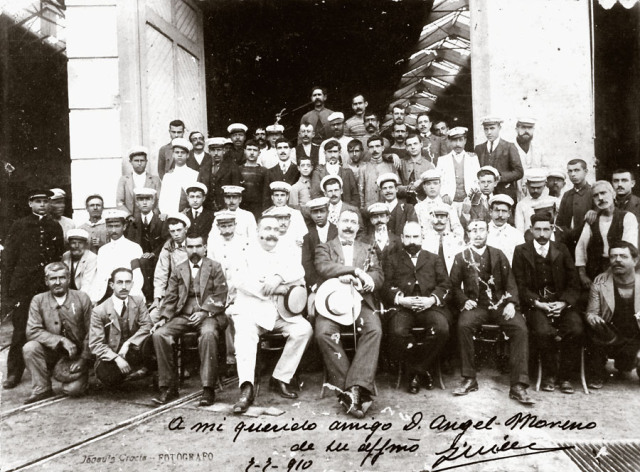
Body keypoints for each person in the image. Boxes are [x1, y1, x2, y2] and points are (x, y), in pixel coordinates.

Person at [230, 216, 313, 413]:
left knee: (304, 329)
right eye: (267, 228)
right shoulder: (244, 251)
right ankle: (246, 387)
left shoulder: (286, 249)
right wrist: (275, 289)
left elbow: (298, 271)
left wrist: (279, 277)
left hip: (280, 314)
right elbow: (240, 281)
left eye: (276, 229)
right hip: (251, 311)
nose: (272, 234)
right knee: (245, 334)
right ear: (258, 231)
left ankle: (280, 377)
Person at [449, 219, 534, 405]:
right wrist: (464, 300)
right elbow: (453, 286)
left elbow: (511, 281)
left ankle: (518, 384)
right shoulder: (461, 257)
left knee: (520, 327)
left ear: (487, 232)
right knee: (463, 325)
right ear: (467, 234)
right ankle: (469, 378)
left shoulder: (498, 255)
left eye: (481, 230)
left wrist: (511, 303)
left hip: (500, 305)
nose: (477, 234)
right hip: (476, 306)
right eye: (473, 230)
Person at [314, 210, 384, 418]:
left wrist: (362, 280)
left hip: (360, 301)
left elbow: (378, 275)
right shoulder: (324, 247)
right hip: (331, 303)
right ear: (337, 223)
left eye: (353, 222)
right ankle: (353, 389)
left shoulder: (368, 248)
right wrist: (352, 271)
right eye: (345, 221)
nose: (348, 226)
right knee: (323, 333)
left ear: (358, 227)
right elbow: (323, 267)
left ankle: (352, 389)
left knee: (374, 330)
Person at [151, 233, 228, 406]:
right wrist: (164, 317)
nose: (194, 250)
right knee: (159, 334)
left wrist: (204, 312)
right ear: (185, 248)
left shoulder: (215, 267)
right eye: (190, 247)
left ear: (205, 248)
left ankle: (208, 388)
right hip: (183, 315)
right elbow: (171, 296)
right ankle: (169, 387)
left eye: (198, 246)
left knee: (208, 334)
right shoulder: (179, 268)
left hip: (209, 315)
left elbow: (221, 294)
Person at [512, 214, 583, 393]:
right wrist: (537, 303)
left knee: (575, 328)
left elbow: (573, 282)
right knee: (543, 332)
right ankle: (549, 375)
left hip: (561, 303)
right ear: (531, 230)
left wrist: (564, 303)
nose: (542, 234)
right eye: (538, 229)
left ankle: (565, 377)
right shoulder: (521, 251)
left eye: (546, 229)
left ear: (552, 229)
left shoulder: (563, 249)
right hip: (536, 304)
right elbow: (519, 285)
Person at [2, 188, 64, 389]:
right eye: (37, 201)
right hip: (24, 287)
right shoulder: (19, 226)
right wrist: (8, 293)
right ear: (30, 204)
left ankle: (44, 368)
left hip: (45, 287)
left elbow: (57, 257)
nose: (42, 205)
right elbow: (8, 260)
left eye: (45, 201)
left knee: (47, 327)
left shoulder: (54, 227)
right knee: (21, 329)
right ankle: (14, 372)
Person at [382, 221, 452, 393]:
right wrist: (401, 299)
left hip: (429, 307)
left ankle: (415, 372)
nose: (412, 241)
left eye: (415, 237)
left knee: (441, 329)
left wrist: (431, 300)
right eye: (408, 237)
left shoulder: (433, 258)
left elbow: (445, 284)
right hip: (403, 308)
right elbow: (385, 286)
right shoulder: (392, 259)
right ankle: (423, 371)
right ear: (402, 238)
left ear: (422, 237)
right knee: (397, 332)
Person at [22, 262, 92, 403]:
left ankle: (88, 376)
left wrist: (83, 359)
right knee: (30, 348)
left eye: (62, 278)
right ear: (46, 281)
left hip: (76, 355)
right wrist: (61, 340)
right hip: (51, 352)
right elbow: (32, 331)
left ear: (68, 279)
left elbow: (93, 331)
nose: (58, 282)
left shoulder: (82, 297)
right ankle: (42, 387)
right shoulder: (38, 300)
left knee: (72, 390)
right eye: (53, 279)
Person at [584, 241, 640, 387]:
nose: (618, 260)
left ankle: (628, 363)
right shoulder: (600, 281)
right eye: (613, 256)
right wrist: (593, 318)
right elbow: (591, 312)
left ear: (635, 260)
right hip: (611, 335)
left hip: (636, 336)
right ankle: (597, 373)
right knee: (594, 327)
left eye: (623, 256)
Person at [89, 268, 154, 388]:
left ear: (132, 284)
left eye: (128, 282)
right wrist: (117, 359)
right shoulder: (99, 311)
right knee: (109, 377)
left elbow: (147, 325)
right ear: (111, 285)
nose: (124, 286)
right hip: (112, 354)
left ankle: (141, 370)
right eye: (119, 282)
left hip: (134, 350)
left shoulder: (138, 302)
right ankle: (130, 374)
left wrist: (128, 343)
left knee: (154, 342)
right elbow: (96, 343)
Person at [206, 210, 250, 373]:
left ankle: (237, 358)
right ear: (218, 227)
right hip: (220, 290)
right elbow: (211, 269)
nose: (226, 230)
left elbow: (247, 270)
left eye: (229, 226)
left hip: (240, 291)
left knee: (234, 315)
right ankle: (226, 359)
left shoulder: (245, 243)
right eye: (223, 226)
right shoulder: (214, 244)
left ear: (235, 226)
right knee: (218, 315)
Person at [575, 180, 638, 287]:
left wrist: (608, 272)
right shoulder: (593, 219)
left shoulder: (627, 217)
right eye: (596, 195)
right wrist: (582, 274)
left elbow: (628, 247)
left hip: (621, 267)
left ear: (613, 194)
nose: (600, 198)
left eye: (603, 193)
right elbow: (581, 247)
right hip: (596, 269)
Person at [89, 209, 144, 304]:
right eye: (110, 226)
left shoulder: (134, 248)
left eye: (117, 226)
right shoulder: (103, 250)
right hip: (106, 294)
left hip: (127, 292)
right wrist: (94, 298)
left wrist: (131, 298)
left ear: (124, 227)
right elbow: (100, 276)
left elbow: (137, 276)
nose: (113, 230)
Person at [126, 188, 168, 302]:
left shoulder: (161, 220)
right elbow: (130, 242)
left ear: (153, 201)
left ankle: (154, 299)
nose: (144, 202)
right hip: (139, 259)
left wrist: (153, 253)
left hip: (157, 259)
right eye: (141, 199)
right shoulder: (132, 222)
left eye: (148, 199)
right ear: (136, 202)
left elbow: (165, 241)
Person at [474, 116, 523, 202]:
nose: (489, 132)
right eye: (486, 129)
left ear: (499, 128)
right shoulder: (479, 149)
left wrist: (499, 177)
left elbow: (519, 172)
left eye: (492, 128)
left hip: (504, 194)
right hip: (484, 196)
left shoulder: (509, 147)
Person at [151, 214, 191, 320]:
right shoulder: (168, 247)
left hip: (191, 293)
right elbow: (161, 272)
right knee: (152, 317)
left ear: (186, 229)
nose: (176, 234)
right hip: (173, 293)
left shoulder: (194, 245)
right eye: (173, 231)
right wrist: (157, 298)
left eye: (179, 230)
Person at [436, 127, 480, 214]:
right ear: (449, 141)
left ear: (465, 141)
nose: (458, 144)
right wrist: (444, 194)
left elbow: (478, 180)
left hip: (468, 203)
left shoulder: (473, 159)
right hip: (450, 203)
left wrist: (472, 198)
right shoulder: (442, 160)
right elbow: (438, 181)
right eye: (454, 140)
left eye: (460, 140)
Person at [556, 159, 593, 255]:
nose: (573, 174)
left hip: (588, 243)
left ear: (585, 172)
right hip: (569, 244)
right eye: (570, 171)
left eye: (577, 170)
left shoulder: (593, 192)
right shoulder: (567, 195)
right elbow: (559, 222)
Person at [414, 169, 464, 240]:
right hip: (426, 245)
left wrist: (453, 242)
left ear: (440, 185)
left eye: (435, 183)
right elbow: (417, 230)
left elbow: (457, 228)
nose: (432, 187)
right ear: (424, 187)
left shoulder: (448, 206)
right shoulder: (418, 207)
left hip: (446, 244)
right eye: (428, 184)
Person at [301, 197, 338, 293]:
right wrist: (313, 283)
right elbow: (306, 262)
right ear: (310, 214)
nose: (319, 216)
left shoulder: (337, 231)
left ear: (328, 212)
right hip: (316, 282)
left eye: (322, 211)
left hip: (337, 278)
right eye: (315, 212)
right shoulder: (307, 235)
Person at [116, 147, 162, 219]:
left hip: (151, 220)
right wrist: (128, 216)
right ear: (130, 161)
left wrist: (153, 216)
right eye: (136, 161)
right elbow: (119, 202)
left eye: (142, 160)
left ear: (146, 161)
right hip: (131, 221)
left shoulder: (155, 180)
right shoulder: (124, 180)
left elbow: (160, 200)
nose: (139, 163)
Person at [310, 140, 360, 207]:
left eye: (335, 152)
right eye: (329, 152)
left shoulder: (348, 172)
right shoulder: (318, 172)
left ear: (339, 153)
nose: (332, 155)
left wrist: (348, 209)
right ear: (325, 153)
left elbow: (355, 195)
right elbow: (315, 195)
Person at [420, 203, 465, 274]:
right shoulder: (424, 240)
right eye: (436, 217)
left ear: (447, 219)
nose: (439, 220)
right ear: (431, 219)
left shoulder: (455, 239)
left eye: (442, 217)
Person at [158, 138, 198, 215]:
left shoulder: (195, 174)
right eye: (177, 152)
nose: (179, 155)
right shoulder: (168, 176)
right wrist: (167, 214)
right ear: (173, 154)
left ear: (187, 155)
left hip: (188, 215)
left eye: (182, 152)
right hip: (170, 216)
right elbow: (163, 200)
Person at [201, 137, 241, 211]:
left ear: (224, 151)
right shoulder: (204, 168)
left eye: (219, 150)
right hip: (207, 209)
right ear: (209, 151)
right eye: (213, 150)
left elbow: (236, 191)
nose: (216, 153)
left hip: (226, 208)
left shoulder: (232, 167)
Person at [359, 136, 398, 210]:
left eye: (377, 146)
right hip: (370, 207)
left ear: (382, 148)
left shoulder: (391, 166)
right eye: (371, 147)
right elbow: (361, 192)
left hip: (389, 207)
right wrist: (362, 208)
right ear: (368, 149)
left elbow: (398, 186)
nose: (375, 150)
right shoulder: (363, 169)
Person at [513, 117, 547, 199]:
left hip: (536, 192)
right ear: (516, 129)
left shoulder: (539, 149)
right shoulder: (509, 147)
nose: (526, 131)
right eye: (523, 127)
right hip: (515, 192)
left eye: (529, 128)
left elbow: (546, 169)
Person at [514, 168, 557, 233]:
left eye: (539, 187)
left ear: (545, 185)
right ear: (527, 185)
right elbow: (519, 230)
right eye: (532, 188)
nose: (535, 190)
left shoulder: (554, 201)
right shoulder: (521, 204)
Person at [486, 194, 524, 264]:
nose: (500, 215)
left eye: (504, 211)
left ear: (509, 213)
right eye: (497, 211)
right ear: (491, 212)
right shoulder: (484, 232)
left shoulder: (516, 234)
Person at [398, 133, 435, 201]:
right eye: (409, 145)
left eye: (415, 144)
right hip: (404, 202)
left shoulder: (429, 166)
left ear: (421, 145)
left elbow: (432, 188)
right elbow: (396, 186)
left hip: (423, 202)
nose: (413, 147)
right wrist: (408, 188)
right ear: (406, 148)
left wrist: (421, 182)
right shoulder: (401, 163)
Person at [239, 139, 269, 220]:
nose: (252, 153)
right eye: (249, 149)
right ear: (244, 151)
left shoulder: (264, 171)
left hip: (258, 210)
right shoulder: (238, 170)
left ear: (259, 153)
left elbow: (266, 194)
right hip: (241, 209)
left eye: (255, 150)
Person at [62, 229, 97, 295]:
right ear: (69, 244)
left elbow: (87, 283)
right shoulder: (66, 256)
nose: (76, 246)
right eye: (73, 243)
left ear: (86, 245)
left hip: (86, 294)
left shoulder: (92, 258)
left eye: (80, 243)